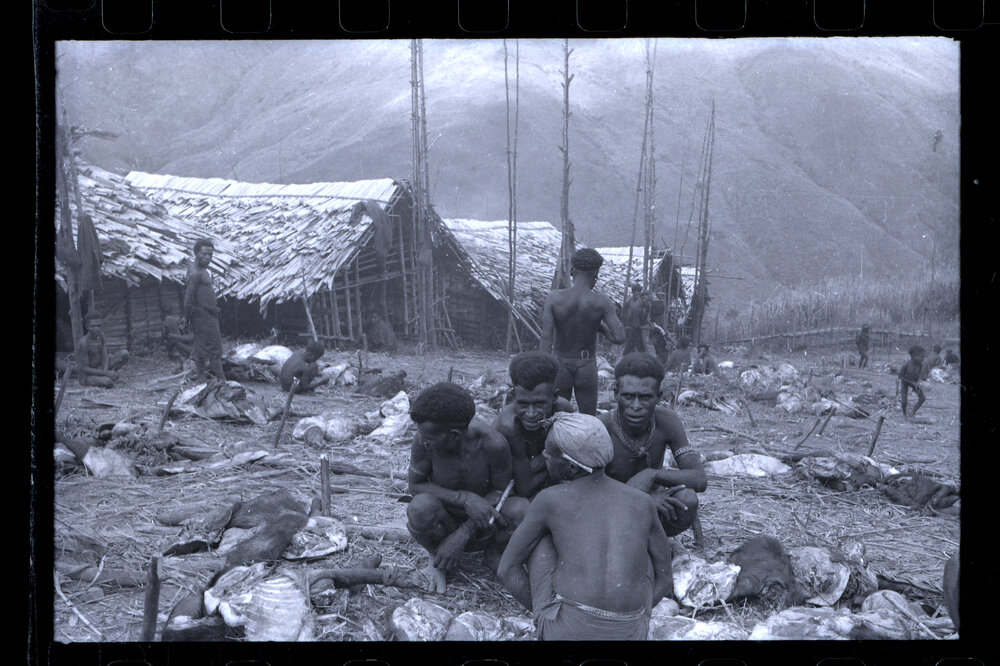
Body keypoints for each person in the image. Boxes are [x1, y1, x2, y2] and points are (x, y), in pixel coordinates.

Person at [497, 412, 674, 641]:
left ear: (571, 468)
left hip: (567, 630)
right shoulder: (642, 501)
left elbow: (506, 569)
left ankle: (549, 624)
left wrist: (544, 614)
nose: (544, 456)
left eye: (549, 452)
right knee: (645, 554)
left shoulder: (549, 499)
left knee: (543, 539)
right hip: (631, 631)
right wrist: (641, 619)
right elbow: (665, 579)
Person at [406, 383, 528, 594]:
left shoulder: (493, 444)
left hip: (484, 523)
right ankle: (436, 558)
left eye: (430, 439)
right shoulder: (423, 440)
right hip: (445, 519)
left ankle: (493, 554)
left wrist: (463, 534)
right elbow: (415, 485)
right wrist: (464, 498)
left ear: (454, 435)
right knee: (420, 507)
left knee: (521, 510)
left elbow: (501, 493)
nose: (424, 442)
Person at [600, 353, 706, 539]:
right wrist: (642, 499)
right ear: (615, 393)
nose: (636, 406)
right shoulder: (602, 427)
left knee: (687, 499)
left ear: (658, 396)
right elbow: (588, 488)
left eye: (645, 398)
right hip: (608, 508)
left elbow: (698, 477)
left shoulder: (667, 421)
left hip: (650, 506)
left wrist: (653, 474)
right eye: (628, 396)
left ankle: (651, 542)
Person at [539, 248, 626, 415]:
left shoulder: (554, 298)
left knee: (556, 416)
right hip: (586, 365)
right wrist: (600, 328)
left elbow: (546, 339)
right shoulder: (602, 302)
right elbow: (620, 337)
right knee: (588, 417)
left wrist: (543, 372)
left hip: (560, 364)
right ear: (595, 275)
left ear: (573, 271)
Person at [494, 351, 575, 500]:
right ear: (513, 396)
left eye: (539, 404)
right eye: (523, 404)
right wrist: (553, 457)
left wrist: (539, 463)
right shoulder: (509, 426)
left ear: (555, 397)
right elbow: (525, 488)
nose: (531, 414)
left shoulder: (564, 410)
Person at [182, 239, 226, 383]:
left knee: (204, 348)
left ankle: (204, 379)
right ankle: (220, 382)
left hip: (208, 314)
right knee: (213, 350)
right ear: (196, 253)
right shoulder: (195, 273)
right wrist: (187, 318)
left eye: (210, 254)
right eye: (204, 254)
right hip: (202, 315)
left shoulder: (202, 271)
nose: (207, 257)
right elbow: (189, 297)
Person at [73, 312, 129, 388]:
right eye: (93, 326)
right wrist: (106, 373)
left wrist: (105, 371)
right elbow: (84, 368)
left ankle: (107, 375)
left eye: (99, 326)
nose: (96, 328)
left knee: (124, 353)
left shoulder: (101, 336)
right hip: (87, 376)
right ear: (87, 327)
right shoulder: (84, 342)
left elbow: (105, 356)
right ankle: (106, 377)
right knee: (108, 382)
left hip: (100, 368)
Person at [899, 346, 927, 418]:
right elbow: (900, 377)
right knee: (904, 401)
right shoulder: (906, 364)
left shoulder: (920, 364)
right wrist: (912, 383)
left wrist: (918, 383)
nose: (923, 359)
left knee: (922, 398)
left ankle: (913, 411)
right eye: (921, 357)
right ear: (914, 356)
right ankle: (904, 414)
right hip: (905, 382)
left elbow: (919, 375)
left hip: (914, 383)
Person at [622, 283, 649, 355]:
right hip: (630, 327)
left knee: (640, 347)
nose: (637, 294)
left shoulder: (642, 302)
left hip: (638, 327)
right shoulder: (628, 301)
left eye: (638, 293)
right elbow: (623, 314)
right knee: (629, 346)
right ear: (633, 293)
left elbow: (644, 317)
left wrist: (645, 308)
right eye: (635, 292)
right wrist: (625, 325)